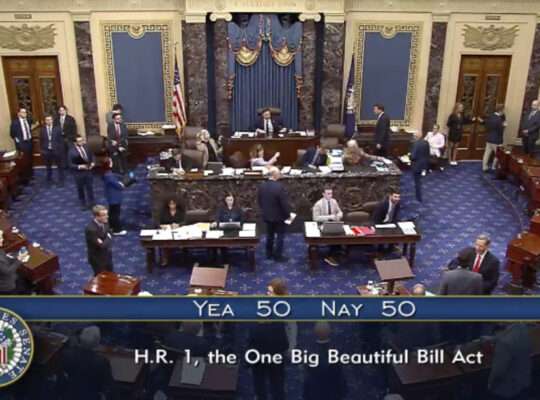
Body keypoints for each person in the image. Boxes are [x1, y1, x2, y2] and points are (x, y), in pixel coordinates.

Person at [60, 325, 114, 400]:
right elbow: (108, 387)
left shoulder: (67, 354)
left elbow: (62, 380)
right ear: (97, 343)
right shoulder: (102, 362)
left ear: (81, 339)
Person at [302, 322, 348, 400]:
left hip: (315, 391)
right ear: (330, 332)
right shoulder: (338, 349)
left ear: (315, 333)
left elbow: (307, 372)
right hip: (334, 390)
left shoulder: (309, 351)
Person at [488, 323, 532, 399]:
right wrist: (494, 339)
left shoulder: (503, 343)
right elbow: (511, 337)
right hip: (523, 381)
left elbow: (498, 372)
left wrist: (491, 384)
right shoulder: (521, 327)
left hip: (508, 390)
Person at [258, 168, 292, 262]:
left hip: (267, 215)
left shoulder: (262, 186)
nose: (280, 175)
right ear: (274, 175)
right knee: (280, 236)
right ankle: (278, 255)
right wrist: (288, 215)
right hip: (279, 217)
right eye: (278, 173)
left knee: (270, 235)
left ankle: (269, 253)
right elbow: (283, 204)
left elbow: (259, 201)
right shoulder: (279, 187)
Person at [312, 188, 343, 267]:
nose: (330, 195)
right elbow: (315, 218)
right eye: (328, 194)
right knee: (334, 236)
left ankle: (336, 251)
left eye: (331, 193)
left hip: (333, 224)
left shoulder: (334, 201)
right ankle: (331, 256)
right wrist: (329, 217)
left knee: (341, 234)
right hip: (322, 225)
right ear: (323, 194)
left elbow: (340, 212)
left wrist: (339, 215)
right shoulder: (318, 204)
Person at [10, 107, 39, 182]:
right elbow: (12, 134)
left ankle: (31, 175)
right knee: (23, 161)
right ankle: (24, 178)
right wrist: (18, 142)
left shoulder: (28, 120)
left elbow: (29, 129)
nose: (24, 114)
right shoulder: (15, 122)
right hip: (22, 144)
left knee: (30, 160)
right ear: (19, 113)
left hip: (29, 142)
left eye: (25, 112)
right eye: (23, 112)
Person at [85, 205, 113, 275]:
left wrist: (106, 239)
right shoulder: (91, 230)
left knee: (111, 276)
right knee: (101, 278)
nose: (107, 217)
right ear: (96, 216)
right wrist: (108, 238)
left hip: (107, 255)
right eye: (104, 215)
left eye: (107, 214)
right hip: (98, 259)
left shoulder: (105, 222)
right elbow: (101, 246)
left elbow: (110, 232)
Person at [69, 135, 95, 210]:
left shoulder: (87, 147)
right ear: (75, 143)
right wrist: (80, 166)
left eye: (82, 140)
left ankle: (91, 202)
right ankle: (82, 204)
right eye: (80, 141)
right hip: (79, 173)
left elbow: (92, 155)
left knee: (90, 188)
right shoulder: (71, 151)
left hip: (88, 171)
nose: (82, 142)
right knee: (80, 189)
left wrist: (93, 162)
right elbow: (70, 164)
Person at [102, 157, 126, 235]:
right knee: (115, 213)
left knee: (112, 212)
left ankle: (111, 227)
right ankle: (116, 230)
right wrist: (122, 184)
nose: (112, 162)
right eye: (111, 161)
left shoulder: (108, 173)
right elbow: (119, 186)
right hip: (114, 197)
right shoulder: (109, 176)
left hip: (111, 196)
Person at [0, 230, 28, 295]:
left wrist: (16, 258)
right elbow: (7, 271)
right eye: (0, 238)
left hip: (12, 277)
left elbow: (6, 259)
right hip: (6, 286)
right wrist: (19, 259)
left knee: (24, 285)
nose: (2, 239)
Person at [40, 115, 64, 187]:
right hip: (47, 151)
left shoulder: (57, 128)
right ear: (45, 121)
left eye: (50, 120)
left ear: (52, 120)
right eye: (47, 120)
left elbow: (61, 140)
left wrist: (60, 149)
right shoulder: (42, 130)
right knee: (48, 167)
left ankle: (61, 180)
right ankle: (49, 180)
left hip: (56, 150)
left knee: (59, 166)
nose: (49, 121)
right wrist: (42, 150)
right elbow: (41, 140)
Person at [481, 104, 506, 172]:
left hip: (489, 138)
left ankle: (484, 167)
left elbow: (485, 123)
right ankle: (494, 166)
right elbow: (501, 131)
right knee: (498, 155)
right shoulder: (499, 120)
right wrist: (504, 126)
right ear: (500, 111)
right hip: (497, 140)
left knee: (486, 154)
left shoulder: (490, 116)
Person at [410, 131, 430, 202]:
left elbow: (413, 157)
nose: (413, 137)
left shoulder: (416, 144)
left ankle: (418, 197)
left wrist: (409, 156)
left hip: (417, 166)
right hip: (424, 165)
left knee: (417, 181)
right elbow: (428, 154)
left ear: (416, 137)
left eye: (414, 136)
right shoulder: (426, 143)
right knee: (420, 179)